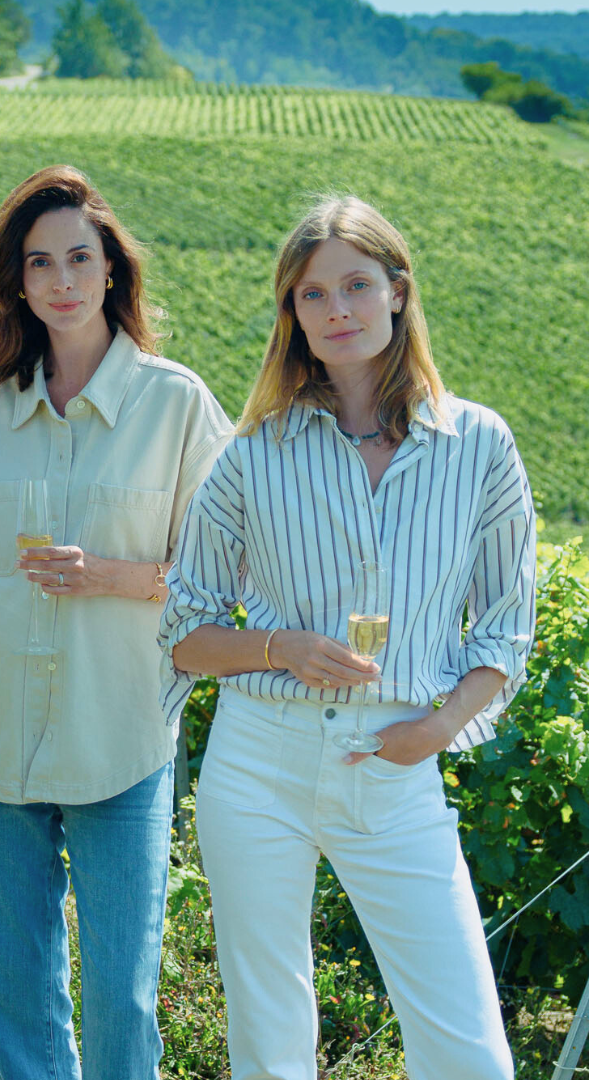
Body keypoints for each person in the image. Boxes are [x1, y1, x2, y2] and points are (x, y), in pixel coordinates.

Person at [159, 195, 536, 1080]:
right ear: (291, 313)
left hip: (398, 761)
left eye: (357, 285)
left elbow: (506, 630)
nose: (337, 310)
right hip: (259, 762)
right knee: (271, 1036)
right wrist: (277, 647)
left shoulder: (477, 444)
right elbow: (184, 632)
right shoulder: (253, 453)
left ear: (399, 293)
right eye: (312, 294)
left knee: (469, 1051)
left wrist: (437, 731)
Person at [0, 165, 232, 1078]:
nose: (61, 280)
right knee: (14, 987)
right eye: (39, 262)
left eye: (79, 258)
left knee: (121, 995)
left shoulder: (176, 404)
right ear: (17, 280)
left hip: (122, 739)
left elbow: (228, 578)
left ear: (112, 271)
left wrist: (111, 577)